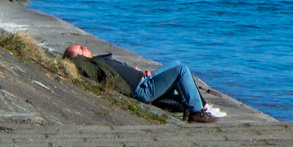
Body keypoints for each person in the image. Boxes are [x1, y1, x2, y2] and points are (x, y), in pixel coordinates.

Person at [64, 43, 228, 122]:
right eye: (81, 48)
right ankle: (198, 111)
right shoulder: (90, 64)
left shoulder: (100, 62)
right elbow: (73, 61)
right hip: (143, 88)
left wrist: (137, 71)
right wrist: (73, 57)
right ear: (79, 56)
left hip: (144, 79)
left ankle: (200, 106)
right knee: (181, 70)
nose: (86, 47)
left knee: (177, 64)